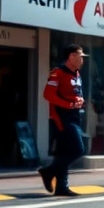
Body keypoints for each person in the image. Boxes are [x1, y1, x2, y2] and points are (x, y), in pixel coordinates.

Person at [38, 44, 87, 197]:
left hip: (75, 116)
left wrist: (80, 101)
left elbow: (74, 93)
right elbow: (48, 95)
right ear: (71, 56)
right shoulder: (57, 72)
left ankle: (61, 187)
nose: (82, 59)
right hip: (62, 117)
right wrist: (69, 104)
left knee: (64, 152)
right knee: (78, 149)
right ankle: (48, 172)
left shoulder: (77, 74)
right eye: (80, 56)